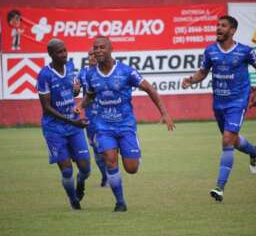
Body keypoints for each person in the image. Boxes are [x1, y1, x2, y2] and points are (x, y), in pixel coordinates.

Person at [78, 36, 175, 212]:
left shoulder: (126, 71)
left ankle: (134, 152)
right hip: (103, 126)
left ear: (110, 49)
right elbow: (90, 95)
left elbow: (150, 89)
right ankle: (120, 202)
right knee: (110, 159)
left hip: (125, 126)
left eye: (102, 47)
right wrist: (80, 106)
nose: (98, 50)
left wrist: (164, 113)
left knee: (131, 168)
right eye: (95, 48)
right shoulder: (91, 74)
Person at [182, 15, 256, 202]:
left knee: (227, 140)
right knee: (231, 140)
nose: (218, 28)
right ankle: (253, 151)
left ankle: (219, 188)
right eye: (217, 25)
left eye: (223, 26)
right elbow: (203, 72)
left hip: (238, 102)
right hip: (219, 103)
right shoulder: (211, 51)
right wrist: (191, 79)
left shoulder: (245, 51)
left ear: (232, 30)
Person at [36, 38, 91, 210]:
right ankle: (73, 200)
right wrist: (72, 121)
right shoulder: (44, 75)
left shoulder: (70, 67)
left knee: (85, 168)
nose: (64, 54)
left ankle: (80, 184)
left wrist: (76, 90)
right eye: (59, 52)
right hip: (54, 128)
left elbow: (73, 88)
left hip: (73, 126)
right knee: (67, 170)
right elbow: (46, 107)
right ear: (51, 54)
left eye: (65, 50)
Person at [75, 49, 108, 187]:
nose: (92, 57)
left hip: (107, 114)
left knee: (109, 146)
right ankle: (106, 176)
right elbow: (75, 90)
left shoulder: (107, 70)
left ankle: (111, 171)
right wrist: (75, 89)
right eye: (90, 55)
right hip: (91, 118)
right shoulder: (83, 73)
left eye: (94, 55)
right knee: (96, 148)